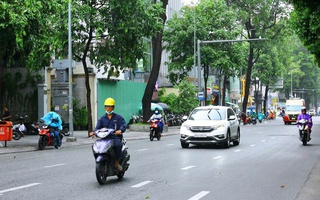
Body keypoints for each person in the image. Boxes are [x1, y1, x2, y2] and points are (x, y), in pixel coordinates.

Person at [89, 97, 126, 171]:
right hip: (104, 138)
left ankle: (116, 162)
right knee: (95, 146)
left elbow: (123, 125)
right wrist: (93, 132)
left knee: (118, 145)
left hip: (115, 137)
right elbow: (98, 128)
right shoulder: (102, 118)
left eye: (110, 106)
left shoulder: (118, 117)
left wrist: (120, 130)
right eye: (106, 106)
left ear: (113, 107)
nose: (108, 108)